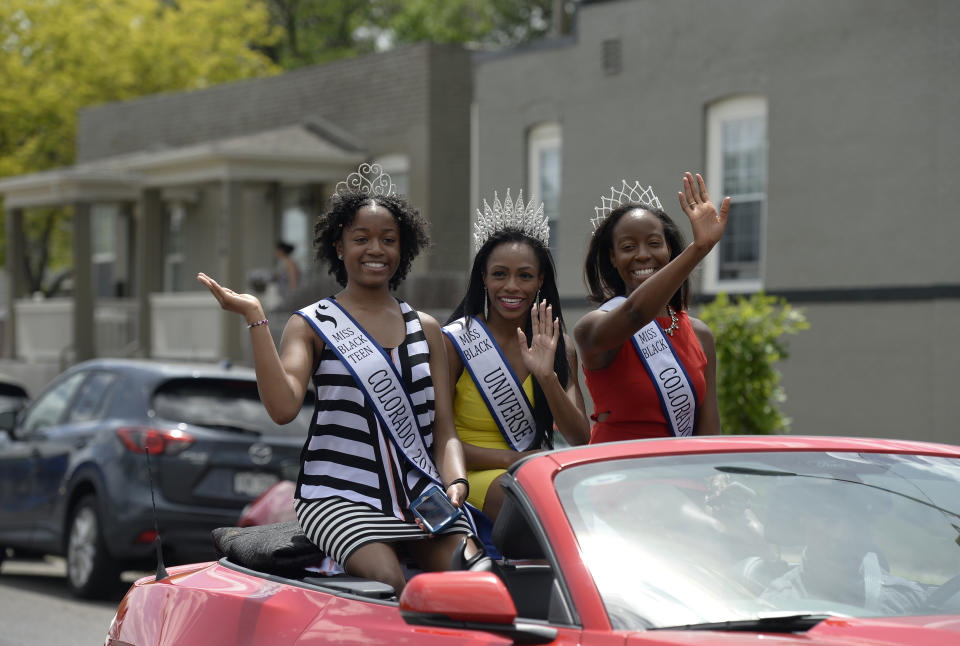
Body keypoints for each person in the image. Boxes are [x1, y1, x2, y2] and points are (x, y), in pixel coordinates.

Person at [198, 164, 474, 594]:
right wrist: (255, 317)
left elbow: (444, 430)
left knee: (477, 573)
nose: (375, 249)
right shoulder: (312, 324)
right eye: (361, 238)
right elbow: (283, 408)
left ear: (404, 249)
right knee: (387, 582)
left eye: (388, 239)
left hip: (419, 497)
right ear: (339, 246)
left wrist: (456, 480)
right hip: (337, 496)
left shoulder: (428, 329)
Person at [443, 190, 589, 521]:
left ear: (540, 281)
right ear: (484, 278)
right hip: (470, 475)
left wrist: (547, 378)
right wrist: (513, 460)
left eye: (524, 275)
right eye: (499, 274)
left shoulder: (558, 346)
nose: (511, 286)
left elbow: (580, 438)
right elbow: (437, 439)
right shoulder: (454, 342)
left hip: (532, 477)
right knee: (525, 503)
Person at [574, 172, 728, 441]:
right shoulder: (593, 327)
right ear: (613, 256)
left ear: (669, 249)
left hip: (681, 477)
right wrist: (699, 248)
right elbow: (636, 314)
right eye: (628, 246)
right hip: (616, 472)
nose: (643, 254)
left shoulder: (700, 334)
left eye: (654, 243)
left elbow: (709, 433)